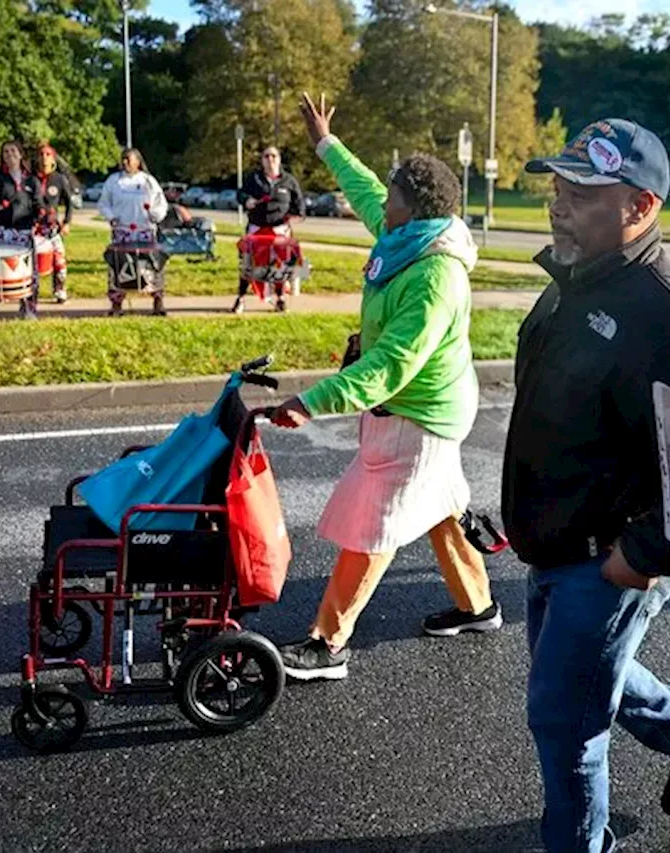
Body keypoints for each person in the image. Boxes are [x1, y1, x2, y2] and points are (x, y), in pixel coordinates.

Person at [511, 118, 670, 853]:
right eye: (557, 187)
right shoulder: (572, 278)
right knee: (586, 681)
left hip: (611, 556)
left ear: (640, 206)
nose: (558, 203)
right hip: (555, 540)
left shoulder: (669, 311)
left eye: (581, 192)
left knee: (564, 718)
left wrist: (644, 552)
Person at [268, 93, 500, 681]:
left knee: (377, 525)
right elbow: (364, 185)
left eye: (394, 192)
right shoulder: (406, 235)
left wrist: (312, 401)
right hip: (423, 406)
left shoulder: (434, 276)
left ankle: (328, 644)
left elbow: (394, 364)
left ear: (412, 210)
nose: (382, 198)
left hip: (419, 415)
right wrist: (325, 140)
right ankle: (480, 607)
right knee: (443, 510)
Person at [233, 144, 307, 313]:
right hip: (257, 229)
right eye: (266, 156)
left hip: (279, 230)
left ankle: (280, 298)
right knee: (248, 264)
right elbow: (240, 194)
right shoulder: (254, 179)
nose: (270, 160)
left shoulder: (288, 181)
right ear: (262, 160)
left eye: (273, 156)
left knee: (279, 265)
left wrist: (298, 216)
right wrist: (247, 200)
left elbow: (299, 203)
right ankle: (241, 298)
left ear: (279, 159)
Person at [97, 147, 168, 316]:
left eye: (129, 159)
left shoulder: (148, 181)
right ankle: (116, 304)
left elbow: (161, 203)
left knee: (152, 266)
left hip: (145, 231)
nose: (125, 162)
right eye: (123, 159)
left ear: (138, 161)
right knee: (118, 267)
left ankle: (158, 301)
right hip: (122, 232)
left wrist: (155, 215)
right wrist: (111, 217)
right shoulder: (113, 181)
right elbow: (104, 203)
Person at [0, 141, 41, 319]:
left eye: (13, 150)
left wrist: (41, 217)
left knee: (28, 273)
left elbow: (38, 203)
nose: (9, 154)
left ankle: (28, 309)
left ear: (20, 154)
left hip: (24, 231)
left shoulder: (31, 179)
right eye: (5, 151)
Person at [34, 142, 72, 304]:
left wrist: (67, 222)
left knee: (59, 260)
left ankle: (59, 290)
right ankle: (31, 291)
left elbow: (70, 202)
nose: (44, 158)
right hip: (34, 228)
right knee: (32, 262)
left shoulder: (59, 179)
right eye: (41, 154)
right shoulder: (30, 179)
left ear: (53, 159)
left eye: (48, 154)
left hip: (53, 228)